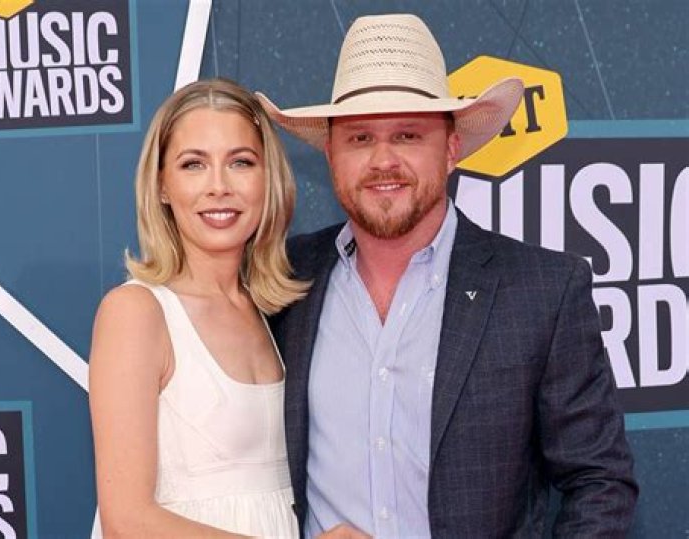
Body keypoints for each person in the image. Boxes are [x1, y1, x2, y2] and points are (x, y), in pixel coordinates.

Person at [257, 13, 638, 538]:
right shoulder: (280, 280)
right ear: (330, 154)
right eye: (360, 137)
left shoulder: (542, 291)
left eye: (408, 135)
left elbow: (600, 482)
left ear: (452, 148)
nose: (383, 160)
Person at [88, 78, 308, 538]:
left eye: (241, 162)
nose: (219, 187)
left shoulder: (274, 311)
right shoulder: (136, 312)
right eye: (194, 165)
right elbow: (126, 522)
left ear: (268, 179)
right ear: (162, 186)